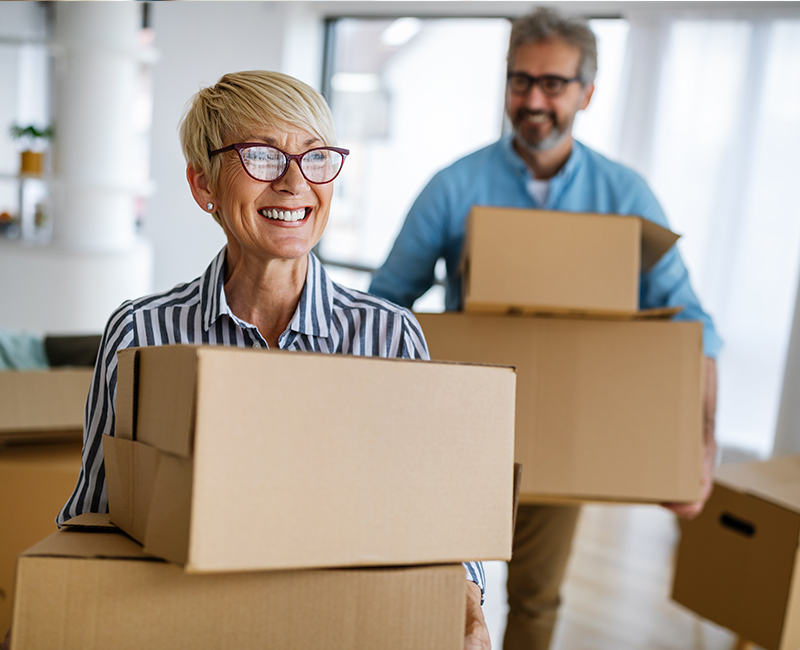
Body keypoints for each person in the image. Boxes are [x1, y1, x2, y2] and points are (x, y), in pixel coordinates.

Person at [46, 71, 490, 650]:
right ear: (203, 184)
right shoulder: (142, 332)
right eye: (261, 156)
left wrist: (469, 614)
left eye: (315, 158)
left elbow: (438, 522)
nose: (294, 183)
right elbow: (96, 510)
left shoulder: (388, 336)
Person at [369, 8, 722, 650]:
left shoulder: (623, 194)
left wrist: (698, 449)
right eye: (519, 80)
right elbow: (385, 305)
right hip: (463, 429)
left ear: (587, 92)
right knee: (435, 589)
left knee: (536, 599)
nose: (534, 100)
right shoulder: (455, 186)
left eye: (553, 84)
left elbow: (693, 323)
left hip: (562, 430)